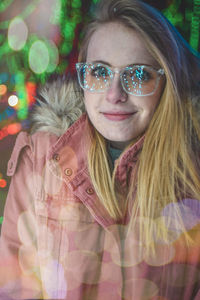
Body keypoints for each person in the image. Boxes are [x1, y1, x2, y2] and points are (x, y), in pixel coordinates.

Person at [0, 0, 200, 299]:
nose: (115, 94)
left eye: (139, 74)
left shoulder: (192, 171)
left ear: (166, 81)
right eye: (100, 72)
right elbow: (14, 282)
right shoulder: (43, 157)